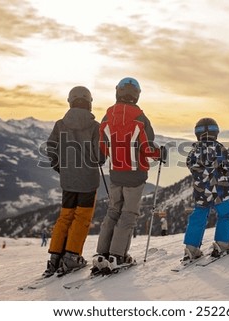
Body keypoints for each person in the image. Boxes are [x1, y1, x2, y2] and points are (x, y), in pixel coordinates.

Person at [93, 77, 164, 274]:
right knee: (128, 215)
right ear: (137, 95)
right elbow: (147, 148)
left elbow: (104, 147)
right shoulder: (140, 118)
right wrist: (160, 153)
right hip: (135, 175)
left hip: (115, 173)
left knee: (113, 211)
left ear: (118, 92)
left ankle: (101, 254)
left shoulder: (107, 117)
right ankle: (117, 255)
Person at [43, 85, 102, 277]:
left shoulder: (61, 124)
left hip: (68, 180)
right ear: (89, 102)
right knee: (81, 218)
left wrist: (61, 166)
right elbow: (99, 156)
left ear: (70, 101)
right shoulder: (95, 127)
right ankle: (72, 256)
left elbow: (50, 148)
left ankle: (55, 258)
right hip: (88, 181)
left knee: (65, 216)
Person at [182, 117, 229, 261]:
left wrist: (202, 174)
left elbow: (190, 167)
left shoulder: (194, 151)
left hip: (202, 191)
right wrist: (222, 171)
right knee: (225, 214)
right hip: (220, 190)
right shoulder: (220, 149)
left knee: (199, 215)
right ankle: (222, 243)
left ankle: (191, 248)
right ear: (216, 132)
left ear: (197, 134)